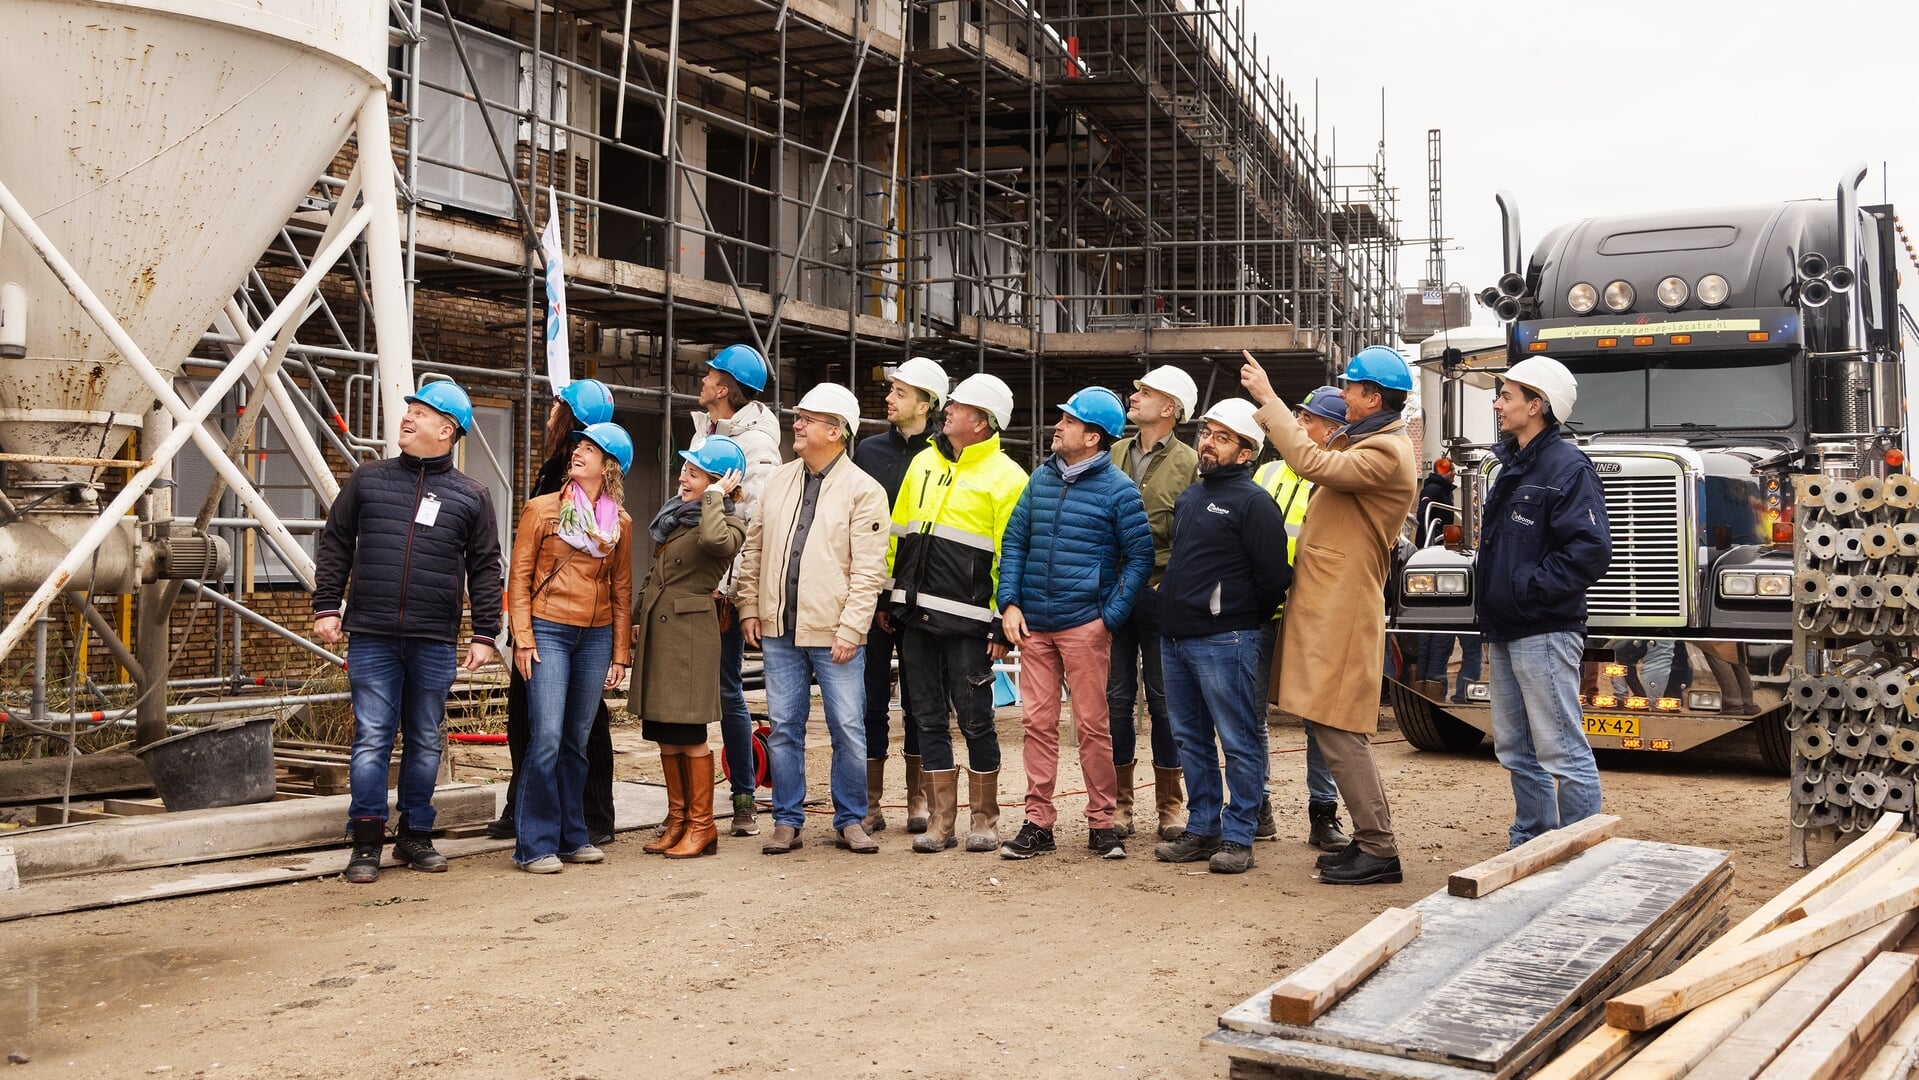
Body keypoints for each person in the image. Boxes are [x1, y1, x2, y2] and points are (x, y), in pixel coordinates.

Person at [1242, 345, 1418, 886]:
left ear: (1374, 396)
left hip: (1343, 610)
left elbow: (1310, 462)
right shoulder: (1371, 440)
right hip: (1330, 606)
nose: (1343, 396)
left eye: (1350, 387)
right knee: (1330, 723)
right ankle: (1369, 840)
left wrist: (1270, 400)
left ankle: (1379, 848)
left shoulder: (1387, 450)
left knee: (1341, 730)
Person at [315, 380, 502, 885]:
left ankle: (416, 835)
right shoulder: (368, 479)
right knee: (372, 737)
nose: (407, 418)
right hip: (372, 632)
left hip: (433, 638)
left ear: (447, 430)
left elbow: (486, 568)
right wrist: (326, 605)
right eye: (409, 411)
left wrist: (486, 633)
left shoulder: (472, 495)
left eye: (420, 413)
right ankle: (367, 841)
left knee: (424, 739)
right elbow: (335, 542)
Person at [996, 387, 1154, 860]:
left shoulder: (1119, 491)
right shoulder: (1039, 480)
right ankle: (1037, 822)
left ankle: (1102, 823)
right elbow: (1015, 543)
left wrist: (1108, 619)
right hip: (1035, 625)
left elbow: (1140, 558)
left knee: (1092, 726)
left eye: (1068, 420)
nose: (1057, 425)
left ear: (1092, 437)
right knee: (1036, 724)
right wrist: (1010, 602)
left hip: (1084, 626)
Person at [736, 383, 891, 855]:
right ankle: (787, 819)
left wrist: (851, 629)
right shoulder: (780, 480)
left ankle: (850, 819)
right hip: (780, 628)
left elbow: (870, 571)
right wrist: (748, 605)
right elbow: (755, 547)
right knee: (784, 725)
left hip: (834, 632)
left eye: (806, 419)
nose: (796, 425)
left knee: (847, 725)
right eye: (798, 417)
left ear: (836, 430)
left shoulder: (864, 491)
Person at [888, 372, 1030, 854]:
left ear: (982, 422)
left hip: (970, 626)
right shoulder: (924, 463)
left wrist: (999, 622)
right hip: (915, 616)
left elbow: (1013, 556)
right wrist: (892, 594)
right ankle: (941, 822)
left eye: (960, 406)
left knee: (976, 721)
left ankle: (985, 821)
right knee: (925, 716)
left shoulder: (1009, 478)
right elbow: (898, 535)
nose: (948, 410)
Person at [1150, 399, 1293, 874]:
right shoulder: (1192, 497)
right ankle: (1204, 826)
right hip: (1176, 637)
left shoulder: (1254, 504)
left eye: (1221, 437)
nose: (1207, 442)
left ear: (1246, 452)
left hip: (1225, 639)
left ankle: (1239, 835)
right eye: (1206, 433)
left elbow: (1273, 577)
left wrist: (1233, 614)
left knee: (1238, 738)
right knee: (1190, 738)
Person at [1479, 355, 1612, 848]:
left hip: (1543, 627)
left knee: (1560, 749)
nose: (1498, 404)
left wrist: (1528, 589)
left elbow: (1590, 551)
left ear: (1536, 405)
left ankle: (1580, 849)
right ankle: (1532, 840)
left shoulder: (1567, 467)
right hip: (1507, 627)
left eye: (1507, 396)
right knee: (1516, 748)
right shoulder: (1514, 462)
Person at [487, 378, 618, 844]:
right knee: (557, 731)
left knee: (560, 730)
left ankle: (577, 818)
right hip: (551, 621)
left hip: (572, 627)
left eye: (556, 407)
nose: (547, 415)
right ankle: (555, 819)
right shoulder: (562, 479)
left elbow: (614, 577)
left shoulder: (573, 476)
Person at [506, 422, 635, 873]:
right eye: (578, 445)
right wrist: (523, 638)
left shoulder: (619, 523)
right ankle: (534, 845)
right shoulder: (541, 511)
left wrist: (621, 653)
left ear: (609, 466)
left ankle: (572, 835)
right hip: (548, 632)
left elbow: (622, 590)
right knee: (544, 738)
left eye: (590, 448)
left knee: (576, 742)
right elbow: (518, 579)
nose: (578, 452)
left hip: (596, 636)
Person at [633, 436, 748, 859]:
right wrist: (635, 616)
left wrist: (716, 498)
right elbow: (657, 573)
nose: (682, 477)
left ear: (720, 483)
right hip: (662, 633)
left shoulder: (729, 522)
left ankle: (703, 827)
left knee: (689, 733)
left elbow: (717, 545)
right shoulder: (678, 518)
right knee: (665, 733)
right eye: (685, 470)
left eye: (695, 473)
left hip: (690, 636)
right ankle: (678, 821)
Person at [851, 355, 949, 835]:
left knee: (920, 699)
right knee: (869, 698)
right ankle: (870, 802)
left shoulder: (944, 458)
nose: (888, 399)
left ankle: (917, 798)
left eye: (899, 393)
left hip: (922, 598)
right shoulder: (869, 452)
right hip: (872, 592)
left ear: (926, 403)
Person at [1250, 385, 1349, 853]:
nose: (1298, 425)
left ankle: (1323, 814)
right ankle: (1257, 806)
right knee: (1250, 714)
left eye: (1308, 420)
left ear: (1333, 432)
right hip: (1263, 614)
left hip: (1312, 616)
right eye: (1298, 415)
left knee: (1317, 717)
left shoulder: (1337, 479)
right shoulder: (1266, 473)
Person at [690, 343, 783, 838]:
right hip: (695, 583)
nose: (702, 380)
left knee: (727, 690)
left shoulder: (756, 446)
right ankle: (690, 802)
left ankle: (743, 794)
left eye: (709, 375)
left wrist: (735, 595)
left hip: (720, 592)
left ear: (723, 389)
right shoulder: (710, 431)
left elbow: (752, 526)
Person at [1106, 365, 1200, 842]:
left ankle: (1170, 805)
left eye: (1145, 392)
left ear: (1170, 409)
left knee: (1166, 702)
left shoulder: (1190, 462)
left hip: (1163, 593)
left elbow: (1195, 533)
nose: (1134, 395)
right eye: (1136, 387)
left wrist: (1175, 584)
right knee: (1116, 699)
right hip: (1114, 593)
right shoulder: (1114, 452)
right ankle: (1120, 804)